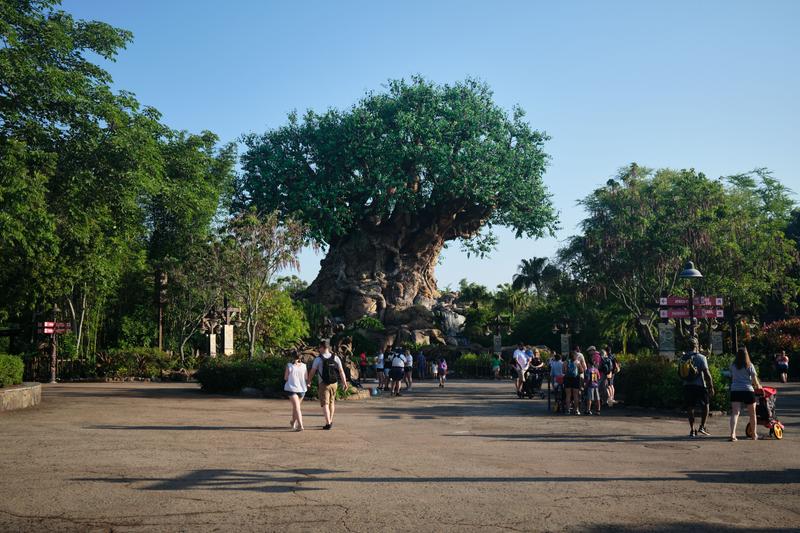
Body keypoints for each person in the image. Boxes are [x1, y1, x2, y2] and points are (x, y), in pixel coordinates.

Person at [307, 341, 348, 430]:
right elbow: (341, 371)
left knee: (324, 404)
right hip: (334, 383)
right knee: (332, 402)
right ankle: (330, 420)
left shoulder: (318, 359)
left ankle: (328, 422)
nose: (318, 349)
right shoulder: (335, 358)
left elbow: (312, 372)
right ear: (328, 348)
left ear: (322, 347)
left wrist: (308, 381)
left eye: (319, 347)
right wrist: (345, 382)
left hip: (323, 384)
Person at [680, 340, 715, 438]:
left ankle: (692, 429)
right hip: (700, 386)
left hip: (687, 386)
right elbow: (707, 374)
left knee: (690, 408)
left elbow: (680, 373)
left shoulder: (682, 358)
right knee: (706, 405)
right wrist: (711, 387)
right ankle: (702, 427)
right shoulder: (701, 357)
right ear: (696, 346)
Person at [729, 347, 762, 441]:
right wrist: (759, 386)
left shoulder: (733, 365)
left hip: (735, 390)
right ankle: (754, 434)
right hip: (748, 390)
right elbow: (755, 380)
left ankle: (733, 434)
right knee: (752, 414)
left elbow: (731, 376)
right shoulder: (749, 365)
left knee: (735, 413)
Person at [284, 350, 308, 432]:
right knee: (297, 407)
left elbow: (285, 378)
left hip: (292, 387)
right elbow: (306, 377)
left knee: (296, 408)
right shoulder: (304, 366)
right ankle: (300, 425)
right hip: (301, 389)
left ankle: (293, 422)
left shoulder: (289, 365)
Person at [564, 350, 585, 415]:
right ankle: (576, 410)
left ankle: (568, 410)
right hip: (576, 379)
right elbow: (581, 371)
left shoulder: (566, 362)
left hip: (567, 379)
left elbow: (563, 371)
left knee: (568, 395)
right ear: (575, 356)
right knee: (576, 395)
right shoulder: (577, 362)